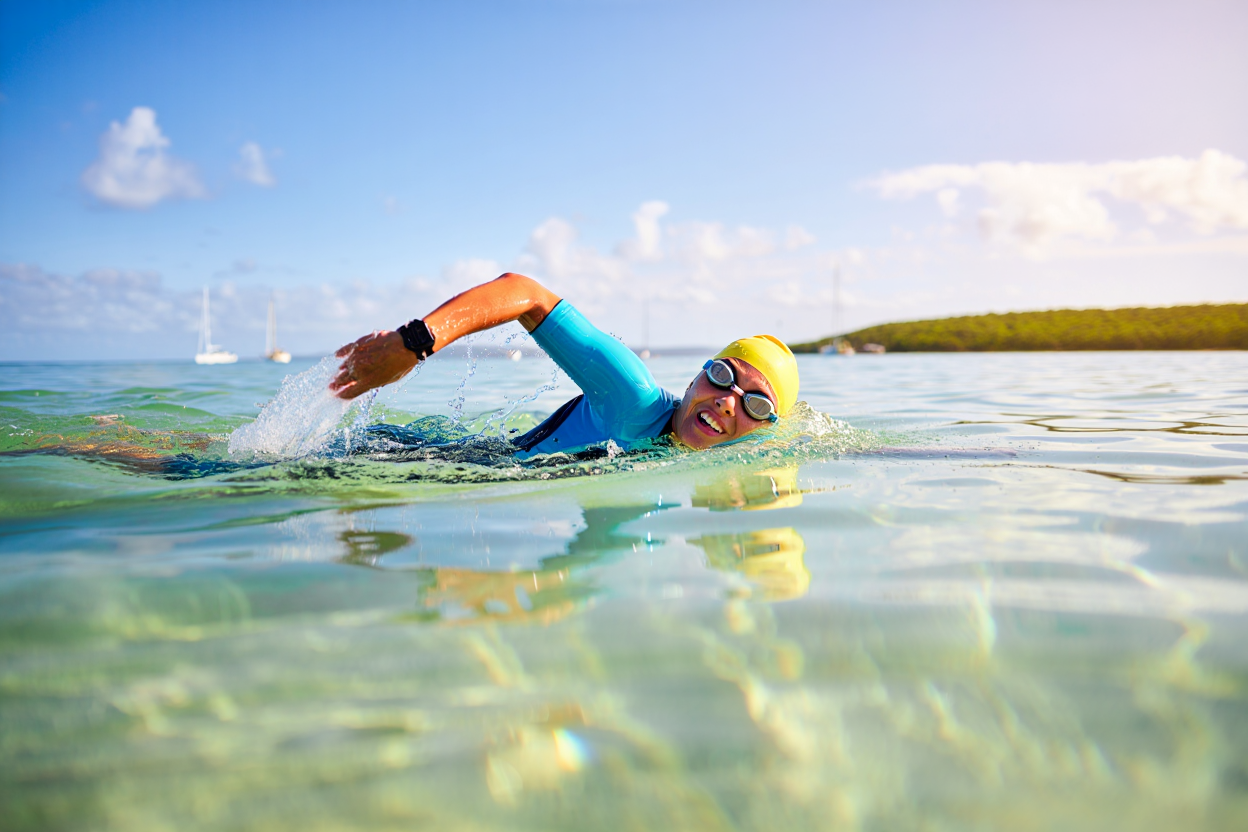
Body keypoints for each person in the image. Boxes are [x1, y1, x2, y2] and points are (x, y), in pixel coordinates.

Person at [330, 272, 799, 457]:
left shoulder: (748, 452)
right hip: (443, 465)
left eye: (756, 404)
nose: (728, 401)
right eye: (723, 375)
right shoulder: (633, 397)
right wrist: (414, 342)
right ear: (698, 375)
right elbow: (528, 295)